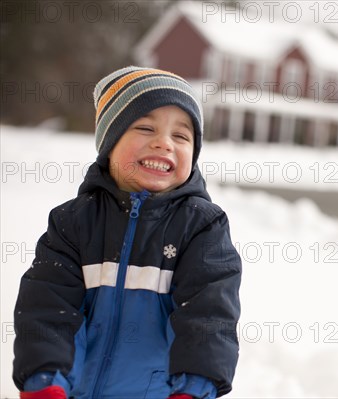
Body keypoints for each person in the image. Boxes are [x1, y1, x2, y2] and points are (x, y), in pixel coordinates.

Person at [12, 66, 242, 399]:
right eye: (145, 127)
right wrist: (45, 380)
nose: (164, 143)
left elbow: (209, 316)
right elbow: (48, 308)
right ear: (109, 143)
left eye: (181, 136)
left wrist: (193, 388)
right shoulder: (73, 223)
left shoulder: (202, 227)